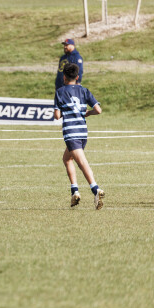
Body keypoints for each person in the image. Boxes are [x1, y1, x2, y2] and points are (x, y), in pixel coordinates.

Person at [54, 63, 105, 209]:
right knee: (67, 159)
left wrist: (65, 112)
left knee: (82, 162)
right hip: (82, 133)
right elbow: (98, 110)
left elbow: (57, 115)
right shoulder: (84, 90)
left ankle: (96, 189)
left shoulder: (60, 92)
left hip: (71, 133)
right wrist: (88, 113)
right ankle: (74, 191)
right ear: (77, 77)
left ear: (64, 77)